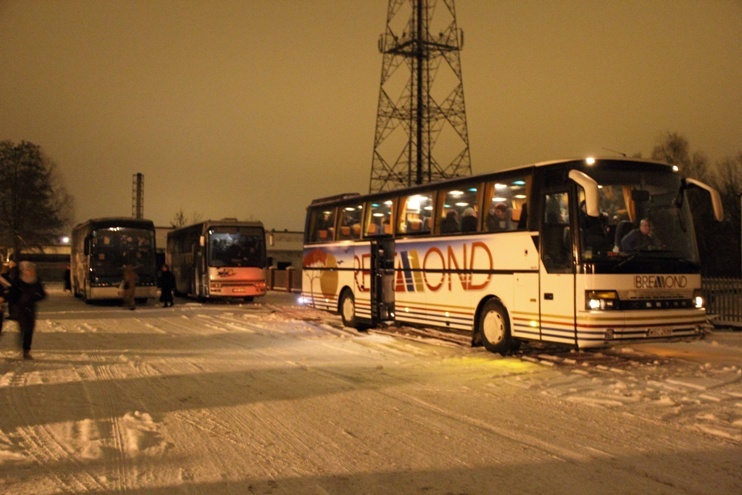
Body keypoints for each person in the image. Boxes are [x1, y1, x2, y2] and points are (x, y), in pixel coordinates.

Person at [7, 261, 46, 360]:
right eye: (28, 270)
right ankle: (24, 348)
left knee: (29, 330)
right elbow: (12, 295)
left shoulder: (36, 281)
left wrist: (33, 297)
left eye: (32, 270)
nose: (30, 272)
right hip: (20, 308)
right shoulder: (17, 281)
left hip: (31, 308)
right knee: (24, 329)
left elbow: (42, 294)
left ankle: (26, 350)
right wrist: (16, 304)